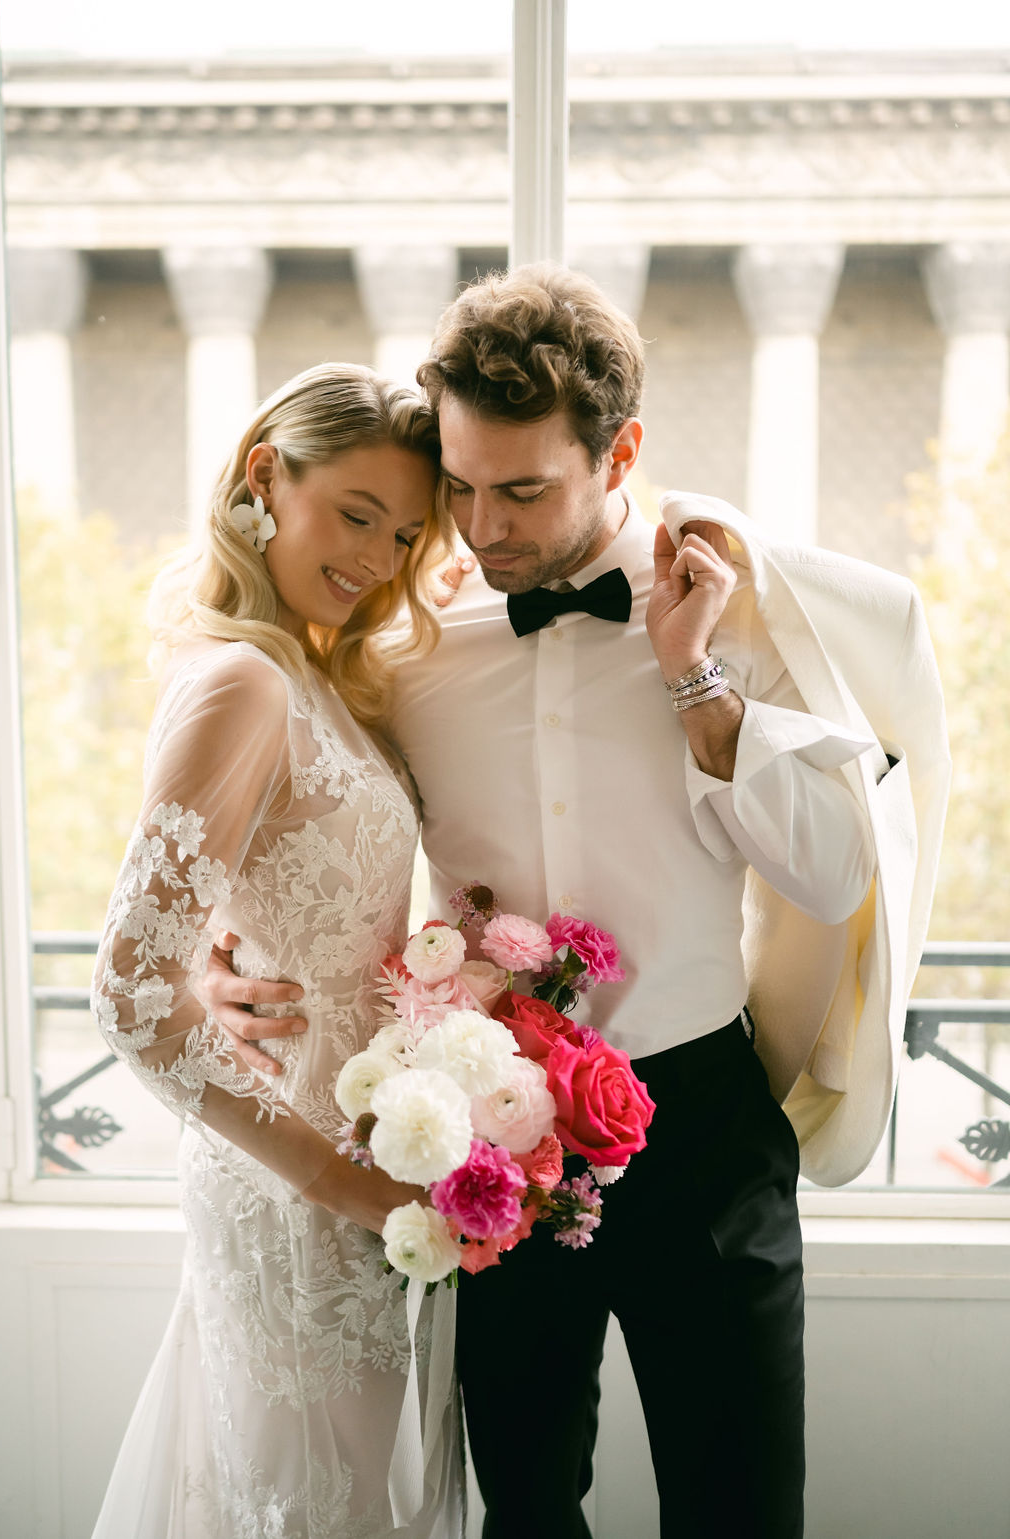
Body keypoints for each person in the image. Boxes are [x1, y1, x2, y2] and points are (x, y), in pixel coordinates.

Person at [206, 266, 947, 1539]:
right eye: (460, 485)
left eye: (523, 489)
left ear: (621, 455)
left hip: (703, 1124)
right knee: (523, 1510)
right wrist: (230, 948)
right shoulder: (410, 653)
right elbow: (306, 818)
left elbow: (833, 872)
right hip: (488, 1143)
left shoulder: (727, 622)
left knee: (743, 1507)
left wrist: (697, 685)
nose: (482, 529)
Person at [89, 363, 465, 1539]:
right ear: (266, 476)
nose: (377, 558)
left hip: (366, 1157)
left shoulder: (314, 671)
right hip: (302, 1177)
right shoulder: (245, 678)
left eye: (404, 534)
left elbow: (247, 889)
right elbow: (130, 996)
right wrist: (339, 1179)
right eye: (356, 514)